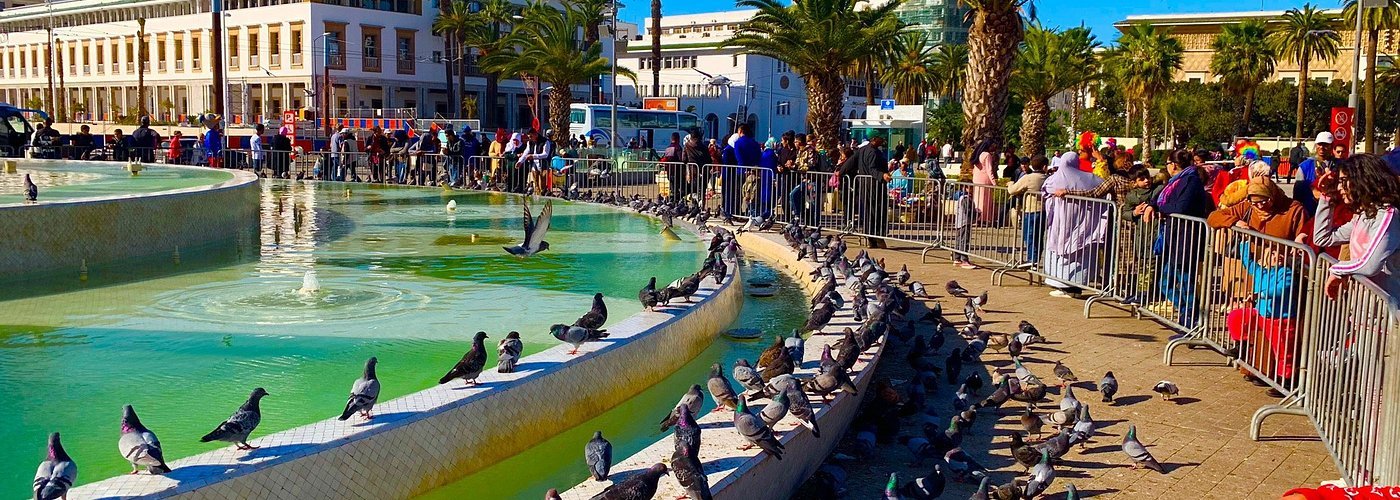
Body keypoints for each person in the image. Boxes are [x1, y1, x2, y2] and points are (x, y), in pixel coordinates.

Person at [1312, 153, 1400, 301]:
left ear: (1363, 180)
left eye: (1344, 181)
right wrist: (1327, 196)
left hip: (1387, 314)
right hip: (1362, 311)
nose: (1340, 187)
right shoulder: (1363, 215)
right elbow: (1322, 238)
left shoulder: (1387, 215)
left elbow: (1370, 265)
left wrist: (1337, 269)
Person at [1144, 149, 1213, 332]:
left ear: (1173, 164)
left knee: (1185, 281)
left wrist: (1160, 208)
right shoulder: (1174, 182)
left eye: (1167, 163)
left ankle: (1192, 320)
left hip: (1186, 237)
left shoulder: (1191, 181)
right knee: (1165, 281)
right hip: (1171, 236)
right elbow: (1159, 197)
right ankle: (1186, 315)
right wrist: (1153, 205)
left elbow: (1181, 206)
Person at [1041, 152, 1108, 298]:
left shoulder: (1055, 178)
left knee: (1062, 253)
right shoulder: (1090, 178)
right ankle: (1075, 286)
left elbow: (1045, 189)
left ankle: (1064, 285)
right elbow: (1101, 186)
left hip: (1062, 222)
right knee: (1080, 254)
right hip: (1085, 222)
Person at [843, 133, 889, 247]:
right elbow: (872, 169)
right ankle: (877, 237)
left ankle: (870, 238)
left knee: (868, 211)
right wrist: (882, 175)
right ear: (874, 139)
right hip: (875, 185)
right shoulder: (874, 152)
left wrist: (841, 171)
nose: (882, 141)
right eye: (880, 138)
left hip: (864, 185)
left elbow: (850, 161)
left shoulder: (862, 150)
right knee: (877, 211)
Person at [1008, 155, 1049, 268]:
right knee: (1039, 236)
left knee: (1029, 235)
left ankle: (1031, 259)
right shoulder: (1047, 178)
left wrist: (1010, 184)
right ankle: (1035, 259)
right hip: (1043, 210)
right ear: (1045, 166)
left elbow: (1012, 190)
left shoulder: (1029, 178)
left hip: (1030, 210)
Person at [1294, 132, 1337, 214]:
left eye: (1325, 145)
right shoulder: (1304, 166)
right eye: (1319, 144)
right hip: (1309, 212)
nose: (1322, 147)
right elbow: (1297, 194)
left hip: (1334, 211)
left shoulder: (1340, 165)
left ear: (1332, 146)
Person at [951, 183, 976, 268]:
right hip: (964, 222)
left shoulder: (961, 198)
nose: (972, 189)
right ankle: (964, 259)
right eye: (970, 187)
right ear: (965, 188)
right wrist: (975, 214)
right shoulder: (966, 198)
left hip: (959, 222)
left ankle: (957, 258)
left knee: (959, 240)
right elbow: (968, 210)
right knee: (964, 240)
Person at [680, 132, 710, 202]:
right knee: (702, 190)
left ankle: (694, 206)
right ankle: (701, 206)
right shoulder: (703, 146)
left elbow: (684, 159)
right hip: (703, 170)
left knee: (694, 190)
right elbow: (708, 159)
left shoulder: (687, 146)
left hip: (692, 171)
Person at [972, 149, 998, 224]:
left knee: (978, 200)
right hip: (985, 181)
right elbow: (989, 170)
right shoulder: (987, 155)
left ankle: (978, 218)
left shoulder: (978, 153)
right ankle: (983, 219)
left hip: (977, 180)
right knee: (985, 201)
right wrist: (994, 182)